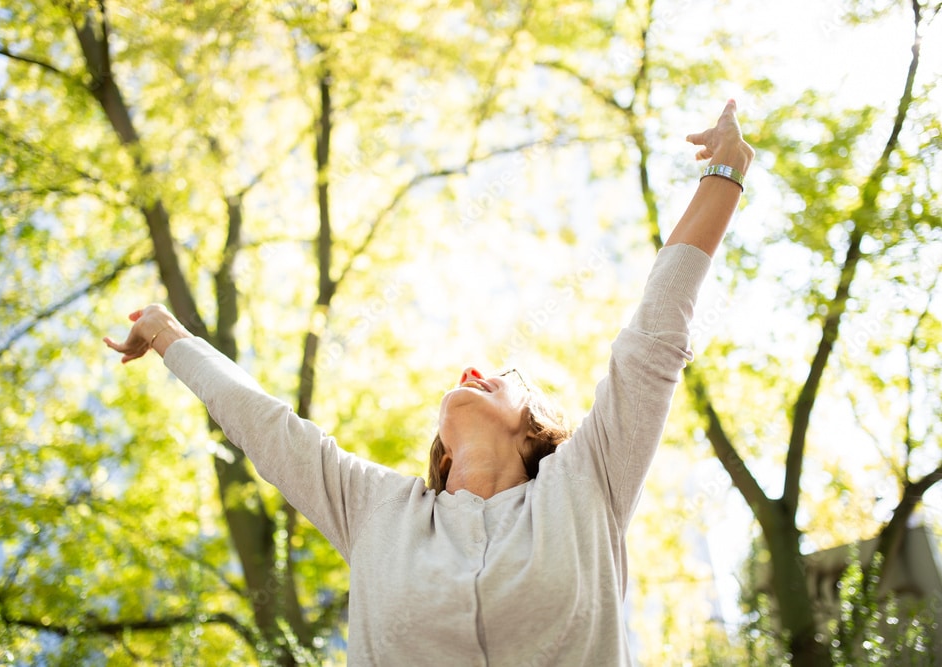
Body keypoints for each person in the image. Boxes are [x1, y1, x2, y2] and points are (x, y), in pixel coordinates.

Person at [105, 99, 754, 666]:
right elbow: (266, 424)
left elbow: (651, 339)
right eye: (467, 375)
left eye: (502, 375)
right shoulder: (376, 510)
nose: (475, 371)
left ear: (537, 426)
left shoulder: (588, 482)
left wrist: (723, 176)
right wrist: (168, 335)